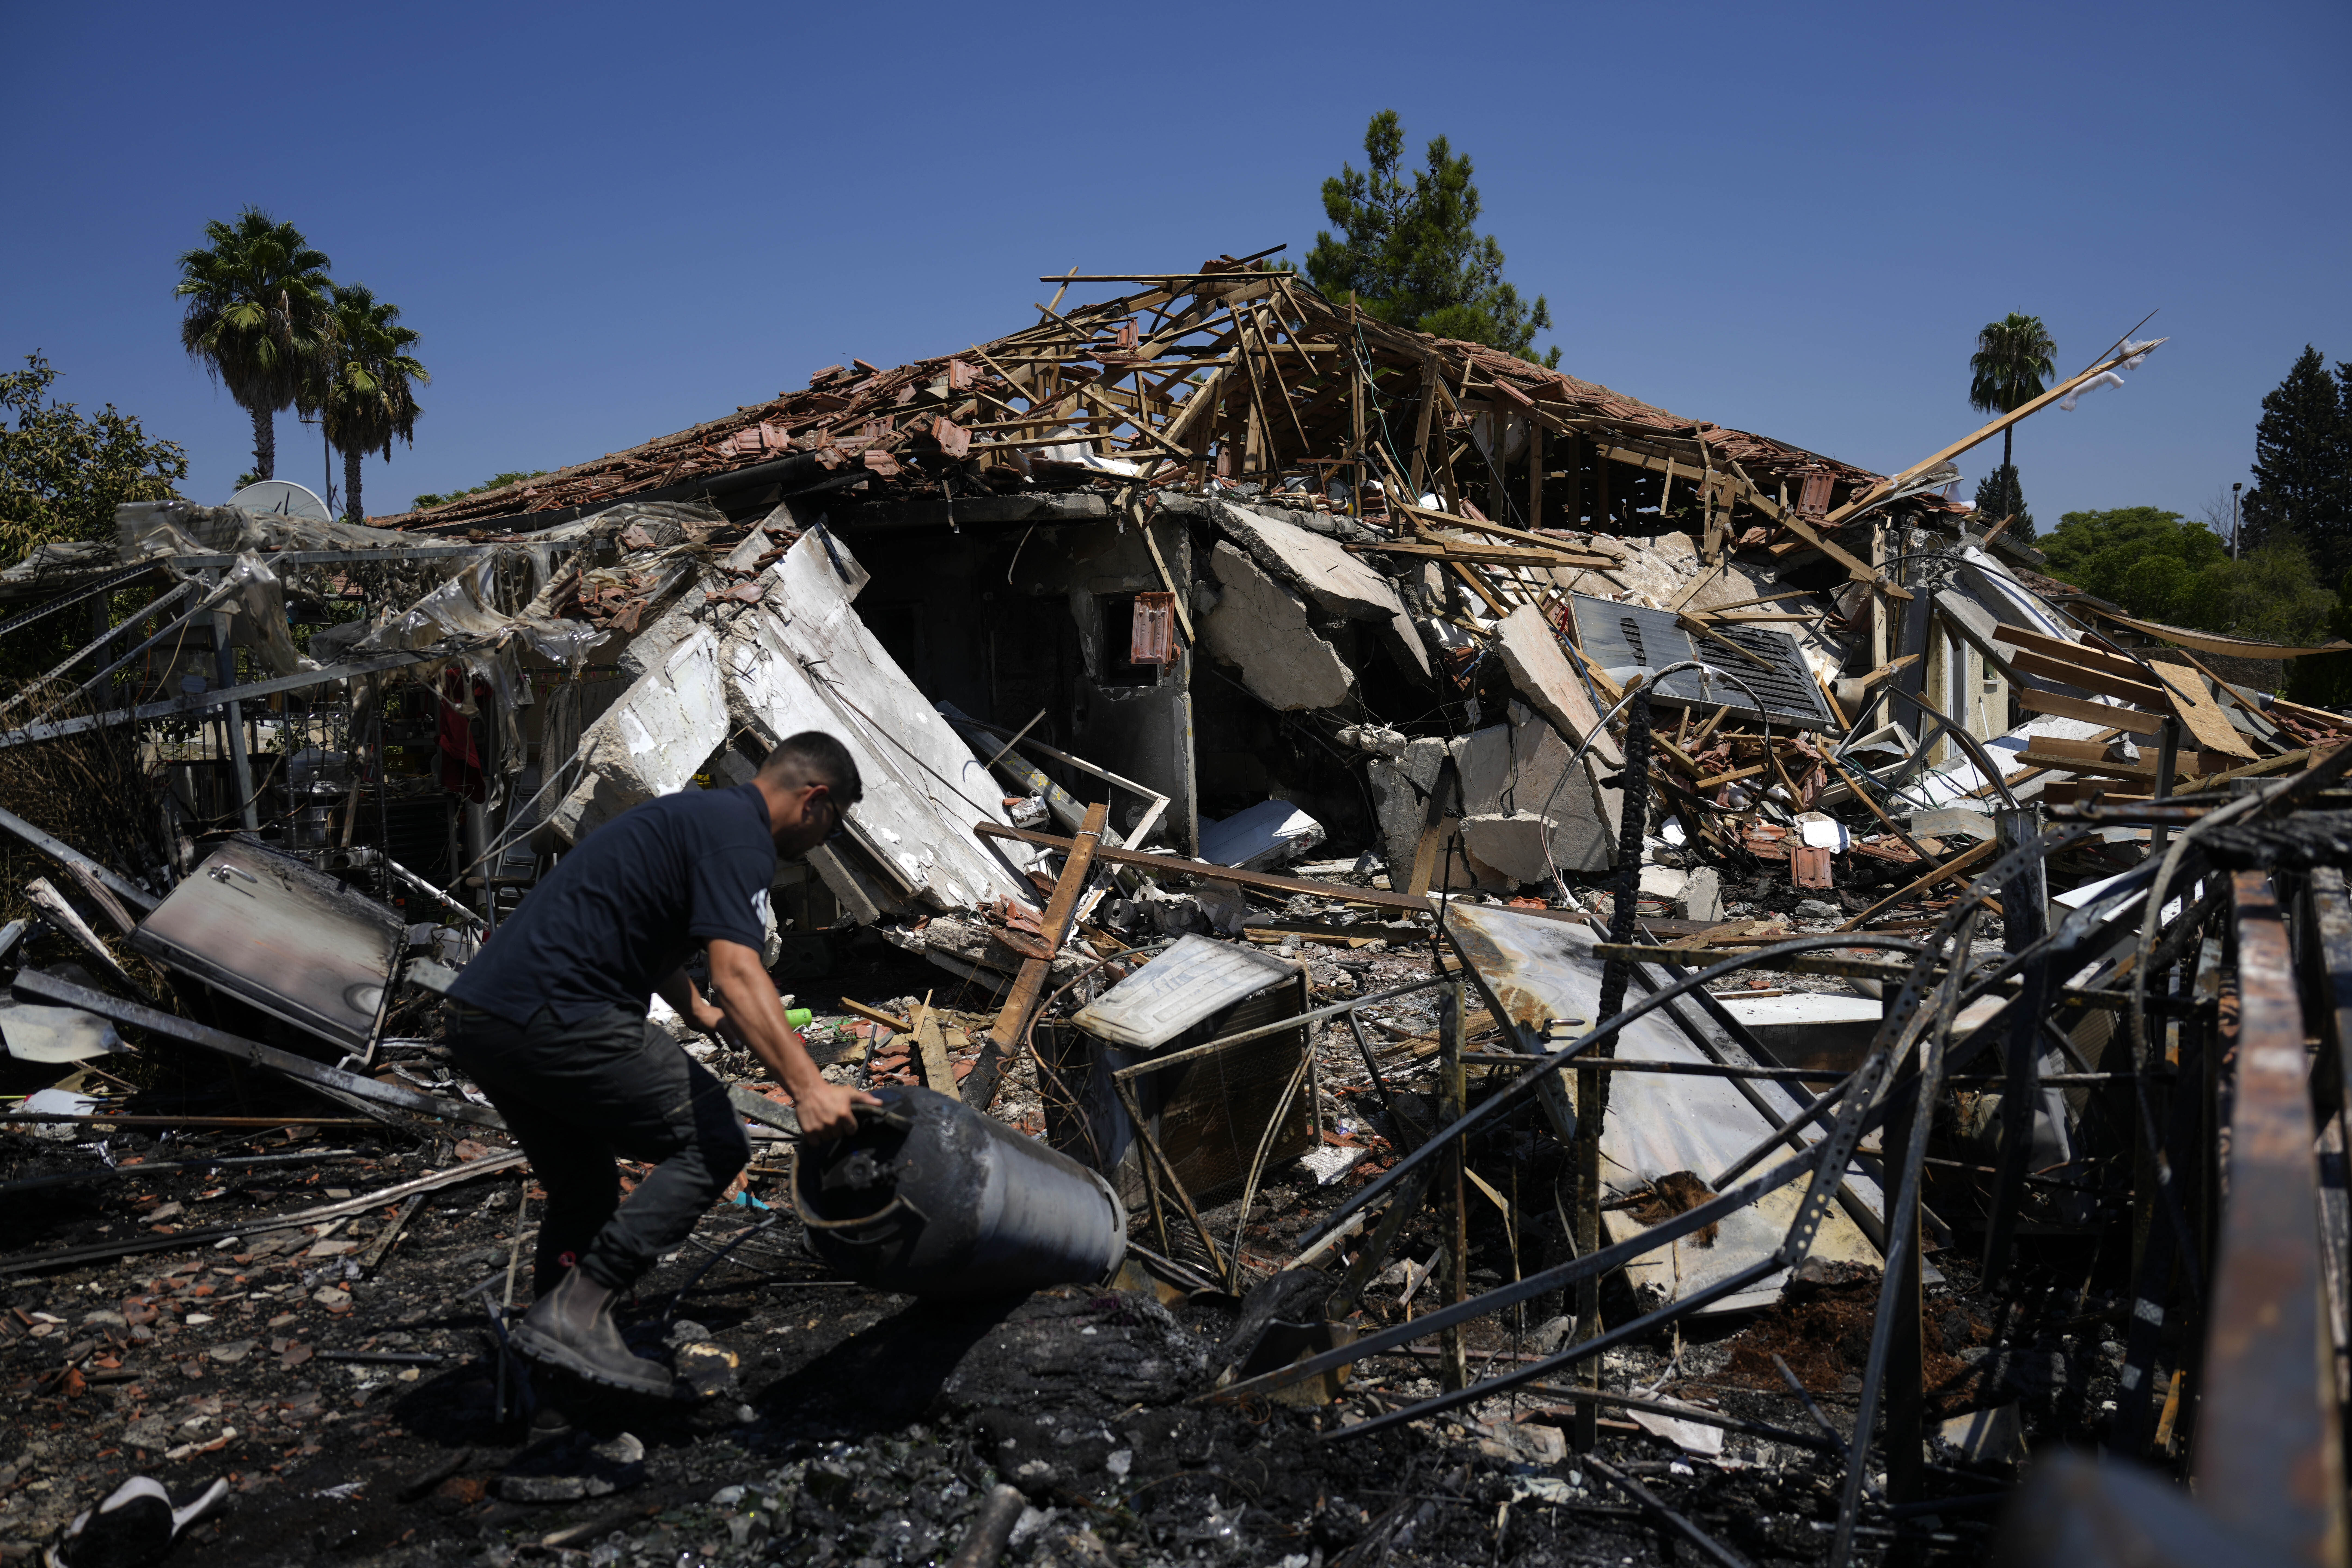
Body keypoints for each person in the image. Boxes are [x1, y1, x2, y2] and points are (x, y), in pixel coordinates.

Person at [445, 730, 879, 1395]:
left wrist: (699, 1012)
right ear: (815, 800)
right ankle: (576, 1308)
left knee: (584, 1186)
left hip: (487, 1017)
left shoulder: (697, 819)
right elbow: (738, 970)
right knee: (710, 1139)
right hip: (561, 1011)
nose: (822, 843)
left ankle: (558, 1379)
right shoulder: (743, 839)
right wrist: (809, 1088)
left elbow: (651, 933)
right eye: (832, 825)